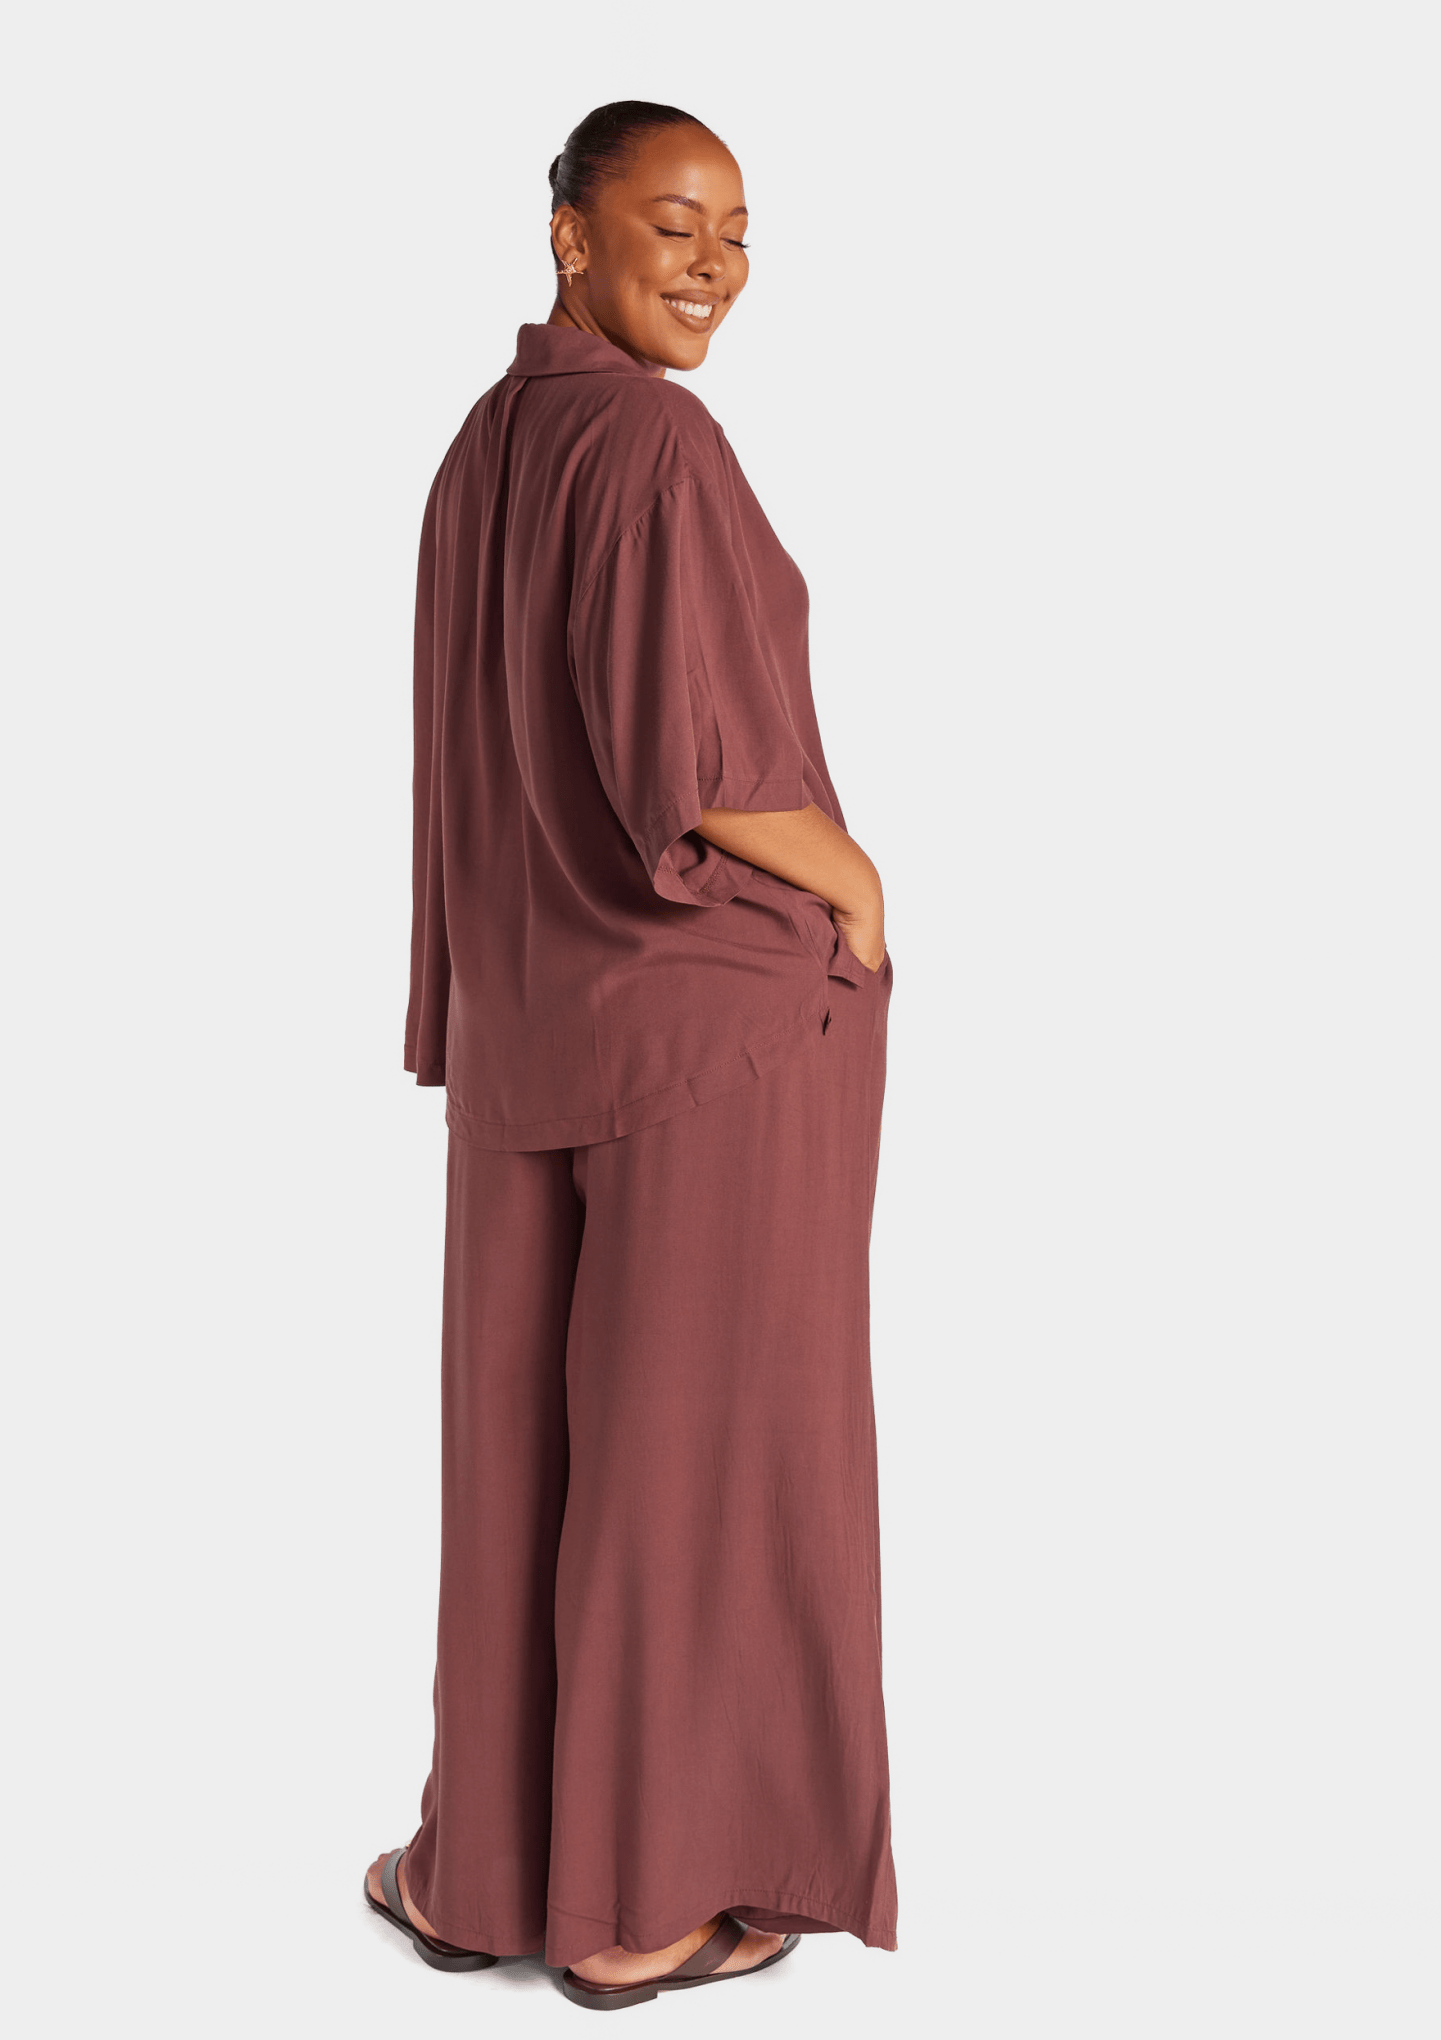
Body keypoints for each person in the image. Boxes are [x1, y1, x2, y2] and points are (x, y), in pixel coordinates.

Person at [364, 100, 898, 2011]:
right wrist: (853, 882)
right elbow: (693, 763)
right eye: (673, 223)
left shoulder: (480, 449)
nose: (713, 264)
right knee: (702, 1454)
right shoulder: (652, 443)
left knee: (520, 1454)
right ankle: (642, 1897)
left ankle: (482, 1876)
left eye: (738, 233)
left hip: (532, 1020)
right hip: (708, 1034)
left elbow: (475, 766)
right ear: (569, 233)